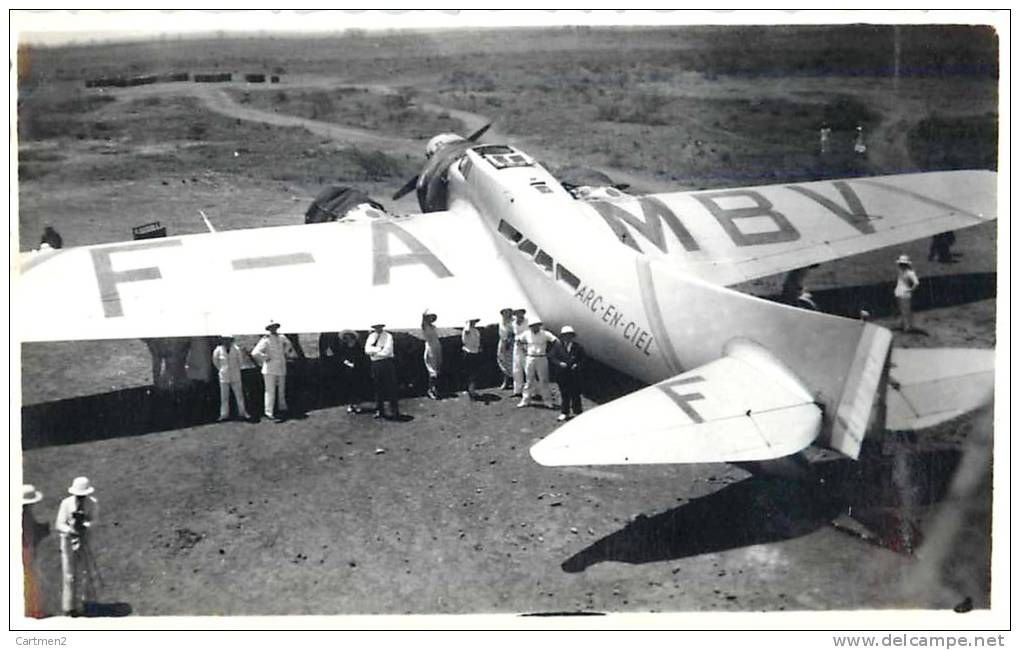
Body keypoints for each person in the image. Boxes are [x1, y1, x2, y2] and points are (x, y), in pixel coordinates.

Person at [54, 477, 99, 617]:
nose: (80, 498)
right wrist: (71, 529)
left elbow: (95, 520)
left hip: (85, 540)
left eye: (83, 495)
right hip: (68, 542)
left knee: (84, 572)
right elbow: (59, 524)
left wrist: (85, 526)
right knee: (69, 575)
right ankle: (68, 607)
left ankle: (82, 604)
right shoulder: (66, 503)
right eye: (78, 495)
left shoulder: (93, 503)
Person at [252, 320, 294, 422]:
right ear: (268, 329)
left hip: (281, 367)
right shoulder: (265, 340)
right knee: (270, 391)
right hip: (269, 369)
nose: (273, 329)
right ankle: (269, 411)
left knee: (281, 389)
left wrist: (286, 352)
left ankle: (282, 407)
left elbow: (289, 345)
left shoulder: (282, 337)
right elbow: (255, 353)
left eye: (275, 326)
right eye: (271, 327)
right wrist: (266, 357)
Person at [518, 320, 558, 408]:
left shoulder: (545, 334)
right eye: (532, 326)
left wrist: (551, 353)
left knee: (544, 380)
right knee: (529, 379)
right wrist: (523, 350)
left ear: (539, 326)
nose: (534, 327)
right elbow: (518, 340)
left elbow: (556, 341)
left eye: (536, 325)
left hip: (542, 358)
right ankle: (525, 400)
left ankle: (547, 401)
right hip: (530, 357)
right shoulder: (526, 334)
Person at [212, 335, 252, 421]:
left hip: (235, 375)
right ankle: (224, 414)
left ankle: (242, 412)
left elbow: (240, 361)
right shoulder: (218, 350)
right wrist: (222, 370)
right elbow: (216, 362)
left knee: (239, 395)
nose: (226, 342)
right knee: (224, 397)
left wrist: (235, 369)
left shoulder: (236, 349)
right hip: (224, 376)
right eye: (225, 340)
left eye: (228, 340)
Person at [22, 485, 48, 618]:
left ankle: (32, 611)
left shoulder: (26, 515)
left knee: (31, 582)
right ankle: (31, 613)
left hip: (28, 551)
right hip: (25, 553)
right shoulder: (24, 517)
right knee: (29, 582)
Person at [365, 323, 400, 419]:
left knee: (391, 387)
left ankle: (394, 411)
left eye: (379, 327)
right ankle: (380, 410)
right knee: (378, 388)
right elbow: (367, 350)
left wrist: (374, 352)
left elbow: (387, 352)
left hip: (387, 363)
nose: (378, 328)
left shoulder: (388, 336)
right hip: (376, 365)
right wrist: (379, 349)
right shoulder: (371, 336)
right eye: (375, 327)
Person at [550, 325, 585, 421]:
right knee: (564, 393)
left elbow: (583, 359)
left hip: (574, 374)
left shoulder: (577, 347)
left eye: (570, 335)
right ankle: (565, 412)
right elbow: (552, 357)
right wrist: (559, 363)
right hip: (562, 374)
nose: (568, 337)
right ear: (562, 336)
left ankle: (578, 411)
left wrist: (577, 365)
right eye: (565, 335)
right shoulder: (558, 346)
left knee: (575, 393)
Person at [336, 330, 368, 413]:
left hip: (358, 369)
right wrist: (347, 362)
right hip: (347, 369)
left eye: (348, 335)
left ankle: (358, 405)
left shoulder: (357, 345)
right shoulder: (344, 345)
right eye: (345, 336)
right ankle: (350, 405)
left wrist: (356, 364)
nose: (347, 337)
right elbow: (341, 356)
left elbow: (361, 355)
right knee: (349, 388)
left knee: (358, 387)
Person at [894, 254, 920, 332]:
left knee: (903, 310)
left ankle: (905, 326)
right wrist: (911, 290)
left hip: (899, 292)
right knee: (906, 310)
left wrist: (910, 290)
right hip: (904, 293)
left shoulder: (901, 271)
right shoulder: (909, 272)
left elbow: (916, 283)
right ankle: (906, 327)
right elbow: (916, 283)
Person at [421, 310, 443, 400]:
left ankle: (435, 389)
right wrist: (423, 315)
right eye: (429, 317)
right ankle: (431, 390)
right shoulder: (425, 326)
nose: (431, 319)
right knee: (432, 371)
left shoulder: (434, 327)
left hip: (437, 347)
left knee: (437, 369)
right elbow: (422, 323)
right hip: (430, 348)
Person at [461, 318, 483, 399]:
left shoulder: (476, 331)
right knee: (468, 372)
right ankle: (468, 389)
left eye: (474, 322)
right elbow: (467, 332)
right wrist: (468, 323)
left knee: (474, 372)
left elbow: (478, 341)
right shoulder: (466, 330)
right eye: (471, 321)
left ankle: (471, 389)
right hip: (468, 352)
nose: (473, 323)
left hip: (475, 352)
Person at [511, 308, 529, 397]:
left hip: (527, 345)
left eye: (520, 313)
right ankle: (518, 390)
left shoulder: (528, 321)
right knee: (517, 368)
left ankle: (533, 391)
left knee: (528, 368)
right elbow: (515, 334)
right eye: (517, 313)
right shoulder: (513, 323)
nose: (519, 315)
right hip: (517, 346)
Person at [496, 308, 515, 390]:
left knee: (513, 362)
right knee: (503, 361)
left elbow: (514, 332)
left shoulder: (514, 321)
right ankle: (506, 381)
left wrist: (509, 341)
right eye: (504, 312)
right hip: (503, 343)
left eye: (508, 312)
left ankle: (515, 382)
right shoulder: (501, 322)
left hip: (512, 344)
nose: (506, 314)